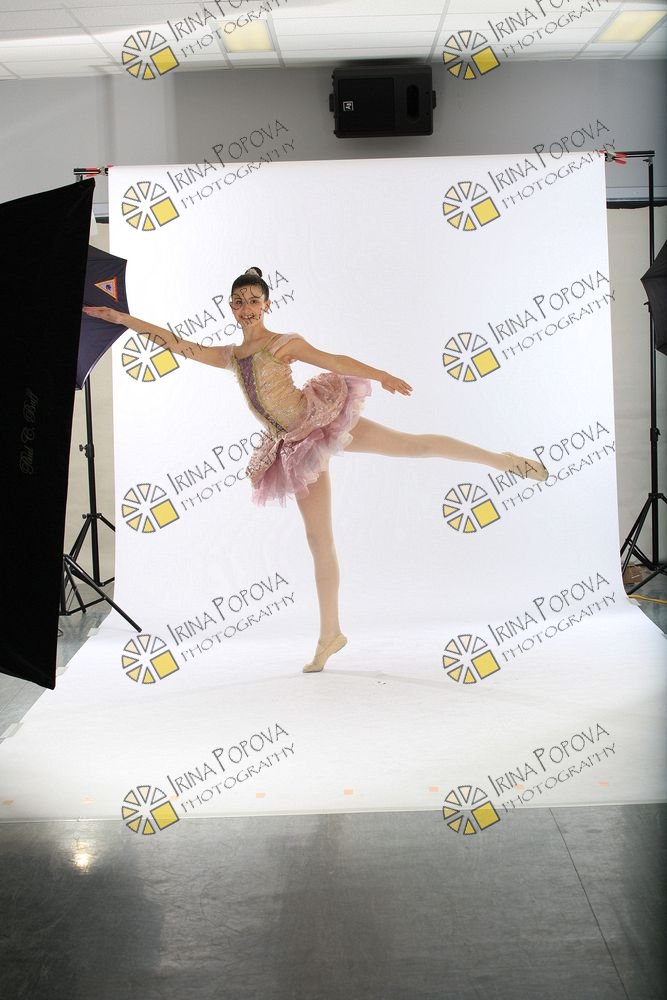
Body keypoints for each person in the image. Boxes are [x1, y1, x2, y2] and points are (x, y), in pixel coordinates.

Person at [84, 266, 548, 673]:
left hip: (320, 421)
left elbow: (335, 361)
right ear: (230, 306)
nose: (247, 308)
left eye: (254, 301)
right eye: (239, 302)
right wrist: (123, 320)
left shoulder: (283, 343)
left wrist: (381, 375)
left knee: (413, 446)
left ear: (267, 304)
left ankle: (503, 460)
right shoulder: (231, 356)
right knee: (318, 540)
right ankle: (331, 635)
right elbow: (180, 345)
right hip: (292, 446)